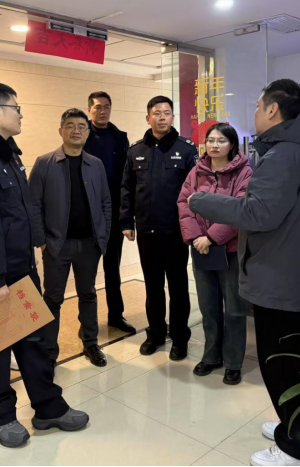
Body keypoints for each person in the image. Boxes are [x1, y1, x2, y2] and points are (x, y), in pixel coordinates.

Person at [188, 79, 300, 467]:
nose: (254, 113)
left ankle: (298, 448)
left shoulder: (285, 153)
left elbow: (258, 213)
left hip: (282, 279)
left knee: (281, 362)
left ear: (272, 110)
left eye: (257, 106)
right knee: (295, 359)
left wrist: (203, 200)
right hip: (296, 274)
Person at [0, 83, 89, 449]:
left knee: (35, 341)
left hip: (20, 268)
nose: (21, 114)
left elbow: (18, 212)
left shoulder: (6, 154)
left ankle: (48, 407)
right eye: (16, 108)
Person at [29, 109, 112, 369]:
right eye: (70, 125)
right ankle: (48, 352)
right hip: (57, 245)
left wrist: (103, 234)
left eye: (81, 126)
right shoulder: (44, 163)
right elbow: (33, 205)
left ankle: (90, 342)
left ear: (87, 132)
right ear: (61, 131)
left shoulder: (96, 164)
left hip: (89, 244)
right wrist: (42, 241)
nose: (76, 130)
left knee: (88, 293)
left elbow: (106, 202)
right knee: (52, 299)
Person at [121, 96, 198, 360]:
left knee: (178, 287)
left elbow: (195, 191)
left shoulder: (187, 150)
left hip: (176, 232)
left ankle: (179, 336)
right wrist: (126, 222)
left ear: (173, 117)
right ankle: (155, 333)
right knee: (152, 286)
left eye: (166, 112)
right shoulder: (135, 151)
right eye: (156, 113)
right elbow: (127, 189)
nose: (162, 117)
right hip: (147, 231)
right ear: (148, 118)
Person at [178, 123, 252, 386]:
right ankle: (211, 356)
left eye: (221, 140)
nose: (214, 145)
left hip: (230, 251)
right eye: (210, 140)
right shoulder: (197, 171)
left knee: (234, 310)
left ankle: (233, 362)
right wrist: (196, 238)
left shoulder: (244, 172)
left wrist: (211, 237)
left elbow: (241, 209)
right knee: (208, 307)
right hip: (202, 250)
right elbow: (184, 204)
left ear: (231, 145)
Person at [84, 92, 136, 335]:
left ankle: (115, 315)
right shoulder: (83, 135)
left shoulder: (120, 138)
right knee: (87, 271)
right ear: (90, 110)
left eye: (107, 106)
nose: (103, 111)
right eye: (98, 107)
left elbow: (127, 180)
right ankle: (87, 322)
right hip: (88, 214)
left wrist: (127, 216)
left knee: (112, 268)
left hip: (113, 212)